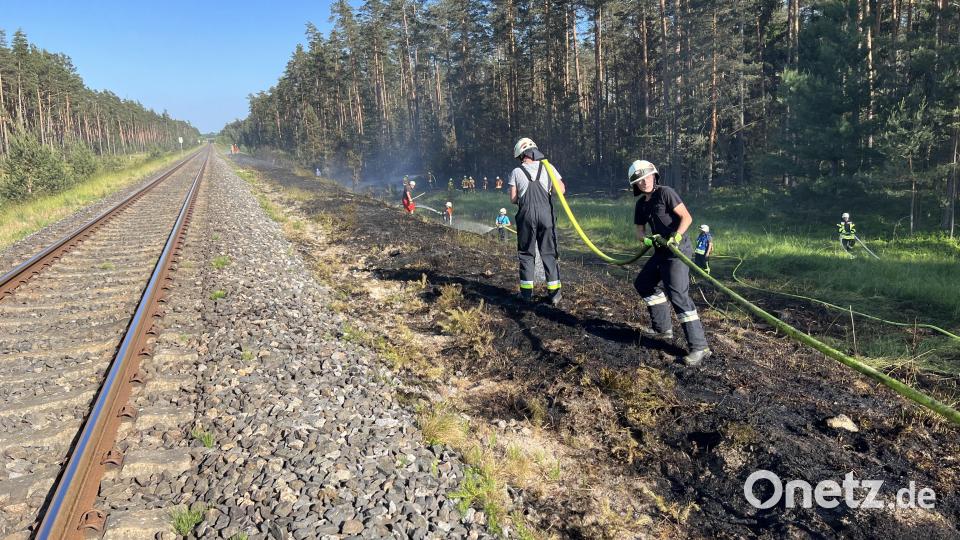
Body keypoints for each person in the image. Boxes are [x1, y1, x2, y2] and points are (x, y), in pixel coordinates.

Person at [630, 159, 711, 367]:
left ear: (654, 176)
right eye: (639, 180)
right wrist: (645, 239)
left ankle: (699, 347)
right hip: (660, 251)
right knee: (644, 284)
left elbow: (687, 217)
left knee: (678, 295)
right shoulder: (641, 204)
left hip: (677, 251)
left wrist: (676, 236)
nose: (644, 182)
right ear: (635, 184)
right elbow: (639, 229)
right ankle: (662, 329)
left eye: (647, 177)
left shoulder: (666, 193)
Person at [509, 137, 564, 305]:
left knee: (526, 253)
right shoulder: (548, 167)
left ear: (520, 156)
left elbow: (512, 198)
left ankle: (526, 294)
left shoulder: (517, 172)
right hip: (546, 215)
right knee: (548, 252)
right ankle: (554, 295)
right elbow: (561, 190)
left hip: (526, 216)